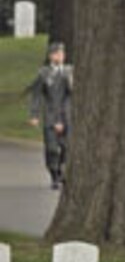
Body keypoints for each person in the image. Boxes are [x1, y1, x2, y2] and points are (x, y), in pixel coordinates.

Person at [27, 41, 73, 189]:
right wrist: (34, 114)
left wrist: (69, 79)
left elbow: (73, 92)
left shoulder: (69, 71)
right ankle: (54, 174)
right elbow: (36, 95)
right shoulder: (44, 73)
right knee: (52, 148)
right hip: (51, 116)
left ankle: (63, 170)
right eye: (57, 53)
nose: (60, 56)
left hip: (67, 116)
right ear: (51, 56)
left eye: (62, 53)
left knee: (66, 147)